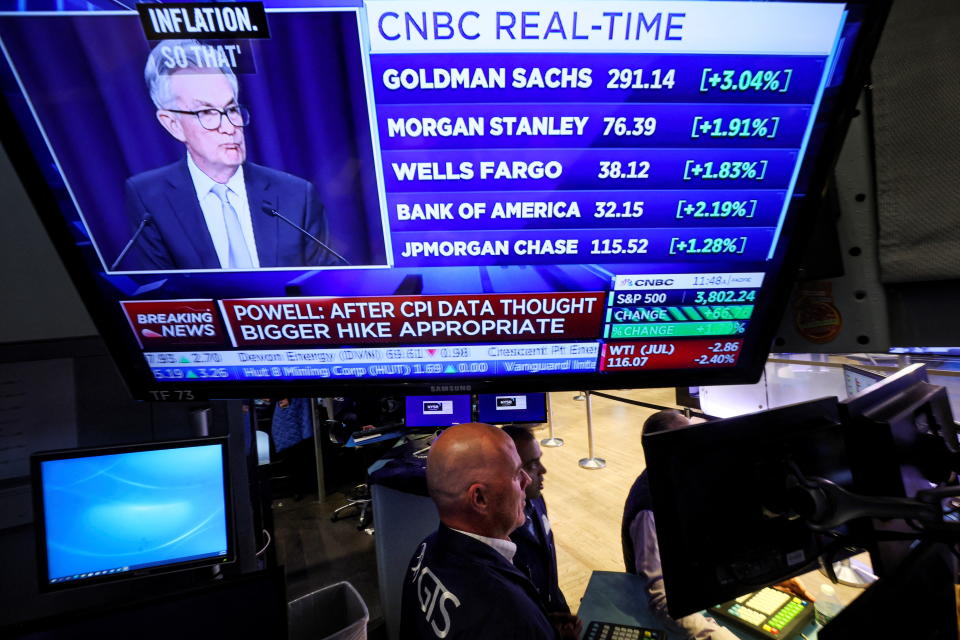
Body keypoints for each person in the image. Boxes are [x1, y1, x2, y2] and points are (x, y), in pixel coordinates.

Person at [122, 39, 338, 271]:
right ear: (173, 124)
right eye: (207, 112)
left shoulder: (296, 195)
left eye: (231, 109)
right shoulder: (149, 197)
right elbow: (160, 295)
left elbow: (326, 283)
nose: (229, 127)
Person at [622, 410, 812, 640]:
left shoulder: (689, 477)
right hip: (674, 614)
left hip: (703, 585)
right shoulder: (648, 510)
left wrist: (772, 573)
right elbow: (662, 601)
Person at [399, 423, 565, 640]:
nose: (528, 480)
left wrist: (544, 624)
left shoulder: (424, 550)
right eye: (516, 474)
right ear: (479, 498)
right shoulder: (508, 612)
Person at [502, 426, 576, 624]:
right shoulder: (499, 531)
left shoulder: (536, 498)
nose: (543, 470)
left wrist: (558, 606)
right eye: (532, 464)